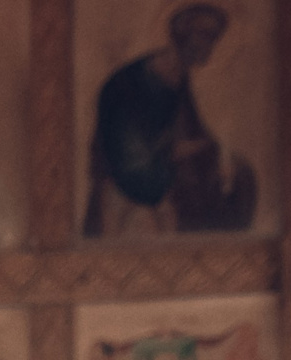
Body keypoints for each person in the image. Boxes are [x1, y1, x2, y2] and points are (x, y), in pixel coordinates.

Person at [84, 3, 256, 237]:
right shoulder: (128, 84)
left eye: (213, 38)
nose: (209, 46)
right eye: (204, 35)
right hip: (129, 182)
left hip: (161, 176)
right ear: (182, 35)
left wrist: (217, 154)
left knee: (239, 175)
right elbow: (129, 154)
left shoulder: (178, 78)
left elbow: (192, 131)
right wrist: (178, 152)